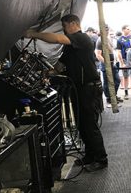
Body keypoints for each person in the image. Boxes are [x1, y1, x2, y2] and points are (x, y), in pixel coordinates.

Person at [25, 14, 108, 172]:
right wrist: (47, 74)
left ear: (73, 24)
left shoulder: (81, 38)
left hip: (88, 88)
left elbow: (57, 39)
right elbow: (61, 65)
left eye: (65, 26)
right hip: (79, 89)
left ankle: (101, 158)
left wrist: (33, 34)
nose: (64, 30)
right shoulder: (71, 47)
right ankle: (90, 155)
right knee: (81, 124)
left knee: (90, 125)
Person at [116, 25, 131, 99]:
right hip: (125, 59)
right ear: (123, 30)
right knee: (125, 76)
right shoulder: (120, 40)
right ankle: (126, 92)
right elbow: (118, 52)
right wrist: (122, 63)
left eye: (129, 29)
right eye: (127, 29)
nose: (129, 30)